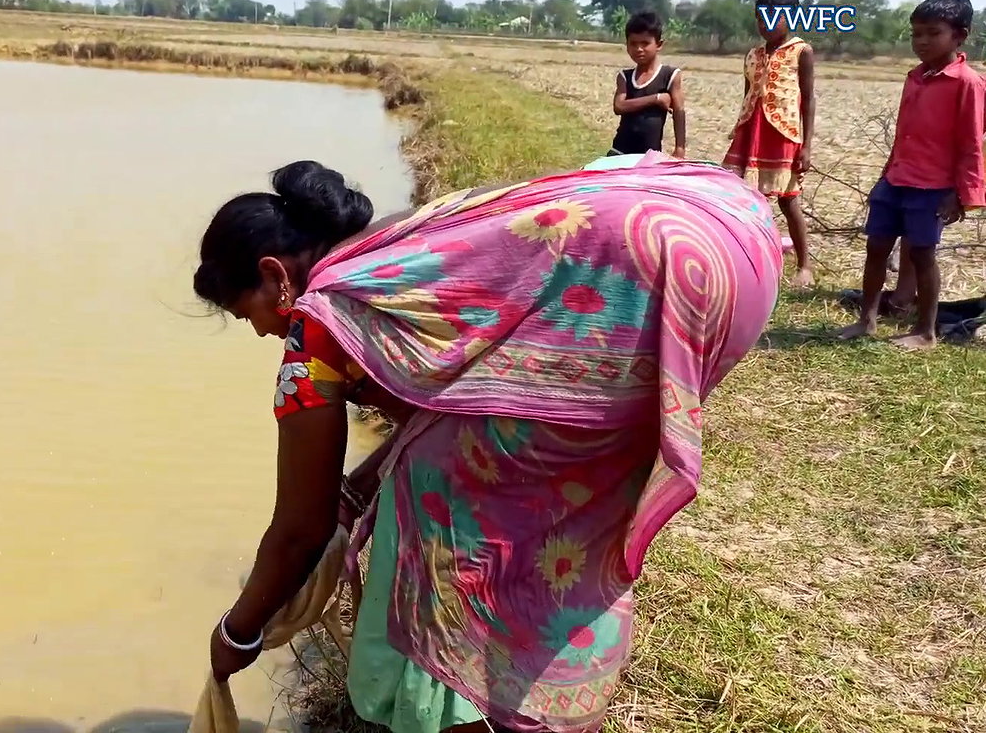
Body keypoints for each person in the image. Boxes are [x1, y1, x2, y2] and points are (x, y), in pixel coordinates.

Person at [194, 153, 783, 733]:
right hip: (725, 247)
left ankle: (473, 709)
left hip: (652, 286)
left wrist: (237, 634)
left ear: (274, 276)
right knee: (542, 527)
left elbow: (300, 528)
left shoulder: (317, 325)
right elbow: (467, 398)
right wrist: (359, 485)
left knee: (437, 535)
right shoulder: (401, 246)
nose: (264, 330)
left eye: (248, 313)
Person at [838, 0, 985, 349]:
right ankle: (867, 320)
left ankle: (926, 331)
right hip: (897, 179)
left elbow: (972, 143)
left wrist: (961, 194)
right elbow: (903, 133)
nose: (922, 42)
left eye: (933, 33)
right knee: (876, 247)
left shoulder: (968, 83)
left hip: (932, 187)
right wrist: (885, 176)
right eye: (916, 34)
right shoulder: (915, 77)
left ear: (960, 35)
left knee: (922, 254)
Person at [724, 0, 817, 287]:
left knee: (788, 201)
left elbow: (809, 98)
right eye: (760, 18)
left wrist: (806, 145)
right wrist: (740, 128)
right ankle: (745, 256)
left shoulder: (801, 51)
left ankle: (805, 265)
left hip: (783, 134)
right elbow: (748, 93)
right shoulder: (752, 55)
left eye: (773, 18)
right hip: (752, 130)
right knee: (742, 197)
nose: (765, 25)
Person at [608, 11, 686, 159]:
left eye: (645, 43)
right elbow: (619, 106)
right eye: (633, 44)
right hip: (619, 152)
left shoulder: (670, 75)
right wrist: (656, 99)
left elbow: (679, 112)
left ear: (659, 44)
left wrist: (680, 148)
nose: (639, 49)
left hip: (649, 156)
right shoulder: (625, 76)